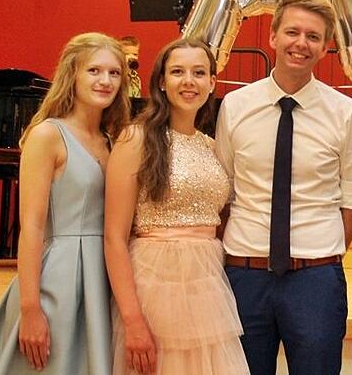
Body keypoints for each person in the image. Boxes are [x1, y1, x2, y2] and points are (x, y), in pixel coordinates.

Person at [216, 0, 352, 375]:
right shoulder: (235, 106)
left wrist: (320, 252)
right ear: (272, 36)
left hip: (315, 279)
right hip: (244, 275)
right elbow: (224, 191)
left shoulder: (345, 113)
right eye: (292, 32)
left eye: (313, 37)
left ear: (325, 48)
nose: (301, 43)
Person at [0, 32, 129, 374]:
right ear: (73, 74)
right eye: (94, 71)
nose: (105, 81)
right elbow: (32, 228)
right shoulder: (47, 135)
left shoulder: (112, 140)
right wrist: (30, 309)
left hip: (105, 276)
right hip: (58, 279)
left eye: (114, 73)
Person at [104, 38, 249, 375]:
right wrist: (132, 319)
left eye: (199, 73)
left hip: (207, 283)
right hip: (155, 284)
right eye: (178, 72)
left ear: (212, 82)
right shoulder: (135, 139)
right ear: (161, 82)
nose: (189, 81)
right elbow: (113, 236)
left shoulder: (211, 146)